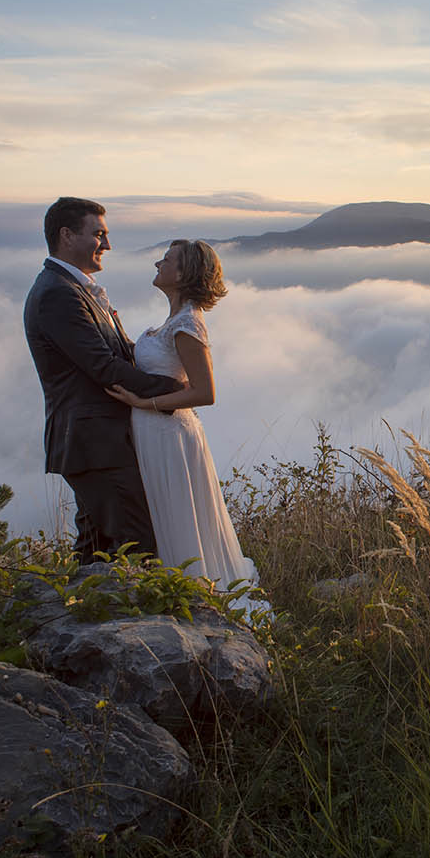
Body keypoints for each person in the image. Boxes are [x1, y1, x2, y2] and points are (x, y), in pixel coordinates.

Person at [105, 239, 267, 615]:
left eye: (168, 259)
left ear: (185, 273)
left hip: (169, 435)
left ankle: (190, 602)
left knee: (177, 516)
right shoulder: (174, 320)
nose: (158, 262)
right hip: (155, 432)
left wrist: (145, 403)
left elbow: (205, 392)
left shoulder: (188, 323)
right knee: (164, 515)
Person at [24, 197, 182, 559]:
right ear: (66, 235)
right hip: (93, 444)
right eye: (98, 234)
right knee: (139, 543)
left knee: (98, 549)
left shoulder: (73, 289)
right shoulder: (57, 295)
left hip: (97, 444)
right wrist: (174, 391)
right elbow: (102, 368)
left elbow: (119, 354)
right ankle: (144, 616)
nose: (107, 245)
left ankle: (79, 612)